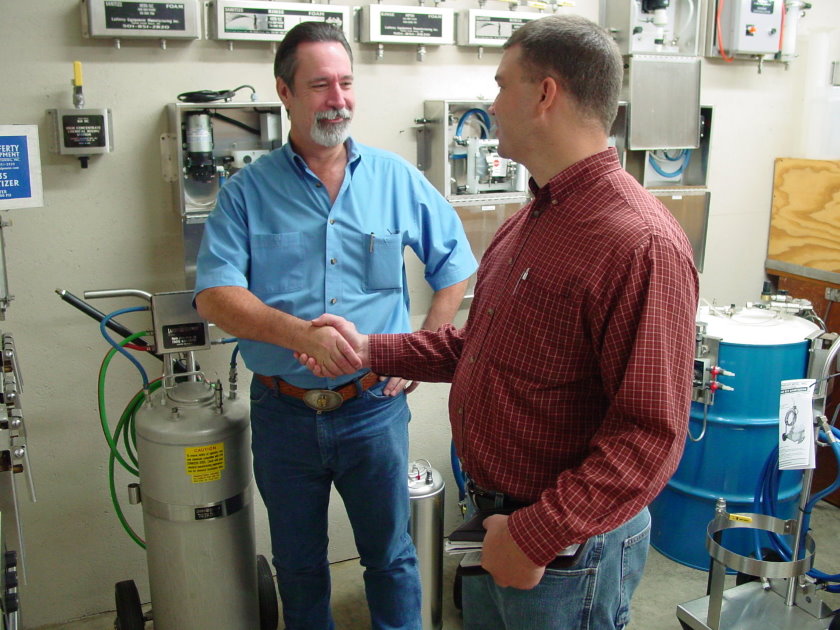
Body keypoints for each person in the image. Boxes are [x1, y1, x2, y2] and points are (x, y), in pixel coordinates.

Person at [297, 14, 700, 630]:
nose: (490, 103)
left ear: (545, 95)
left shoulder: (639, 243)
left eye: (501, 84)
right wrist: (371, 348)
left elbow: (649, 435)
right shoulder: (532, 218)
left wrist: (537, 535)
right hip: (498, 523)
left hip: (567, 551)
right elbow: (475, 347)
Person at [193, 21, 477, 630]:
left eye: (346, 83)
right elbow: (215, 296)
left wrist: (419, 350)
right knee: (298, 566)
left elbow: (454, 263)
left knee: (392, 558)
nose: (338, 99)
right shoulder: (246, 192)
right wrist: (301, 337)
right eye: (320, 84)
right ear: (285, 92)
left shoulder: (395, 179)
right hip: (283, 414)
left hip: (372, 410)